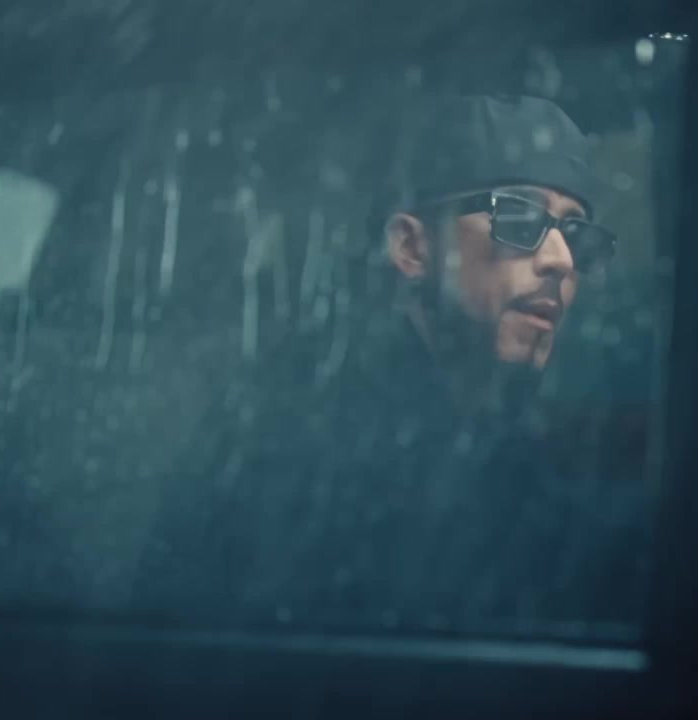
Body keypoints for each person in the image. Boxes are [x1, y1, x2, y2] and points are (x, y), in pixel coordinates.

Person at [138, 94, 624, 627]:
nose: (561, 260)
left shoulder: (511, 438)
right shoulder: (306, 439)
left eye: (576, 235)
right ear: (411, 248)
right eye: (519, 216)